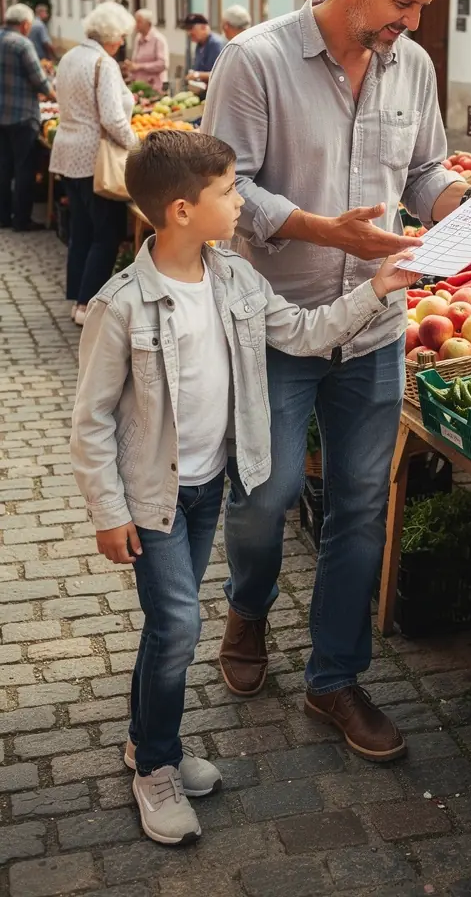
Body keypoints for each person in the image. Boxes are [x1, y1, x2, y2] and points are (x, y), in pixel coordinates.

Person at [203, 0, 471, 760]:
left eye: (420, 9)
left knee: (362, 508)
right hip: (276, 321)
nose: (411, 25)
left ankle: (335, 680)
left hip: (376, 324)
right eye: (402, 4)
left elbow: (420, 172)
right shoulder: (255, 60)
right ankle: (247, 606)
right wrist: (322, 229)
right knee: (265, 497)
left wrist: (463, 202)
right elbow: (224, 192)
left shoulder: (409, 65)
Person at [70, 129, 418, 847]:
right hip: (152, 500)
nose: (240, 202)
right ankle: (155, 770)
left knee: (169, 629)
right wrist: (109, 512)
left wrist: (378, 291)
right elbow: (90, 421)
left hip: (205, 493)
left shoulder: (234, 280)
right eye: (228, 192)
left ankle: (147, 742)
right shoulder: (122, 305)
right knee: (178, 629)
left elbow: (303, 330)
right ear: (179, 211)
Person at [49, 2, 138, 326]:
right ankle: (89, 304)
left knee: (82, 230)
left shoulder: (70, 56)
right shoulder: (104, 63)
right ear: (112, 36)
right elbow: (112, 118)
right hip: (95, 158)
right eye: (122, 36)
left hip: (68, 153)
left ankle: (78, 298)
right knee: (107, 232)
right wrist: (137, 147)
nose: (123, 42)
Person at [0, 3, 56, 232]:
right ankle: (21, 219)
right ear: (24, 24)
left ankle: (3, 216)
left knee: (3, 168)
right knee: (25, 169)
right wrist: (54, 95)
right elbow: (39, 80)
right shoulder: (22, 44)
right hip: (22, 115)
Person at [126, 9, 169, 91]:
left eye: (139, 22)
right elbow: (136, 62)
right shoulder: (138, 38)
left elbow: (163, 64)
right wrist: (131, 67)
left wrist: (140, 66)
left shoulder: (158, 39)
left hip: (154, 86)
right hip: (139, 85)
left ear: (148, 24)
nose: (136, 24)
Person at [183, 13, 223, 86]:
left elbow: (219, 74)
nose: (189, 33)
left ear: (204, 27)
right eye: (187, 29)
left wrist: (197, 75)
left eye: (191, 28)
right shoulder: (200, 44)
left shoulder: (215, 44)